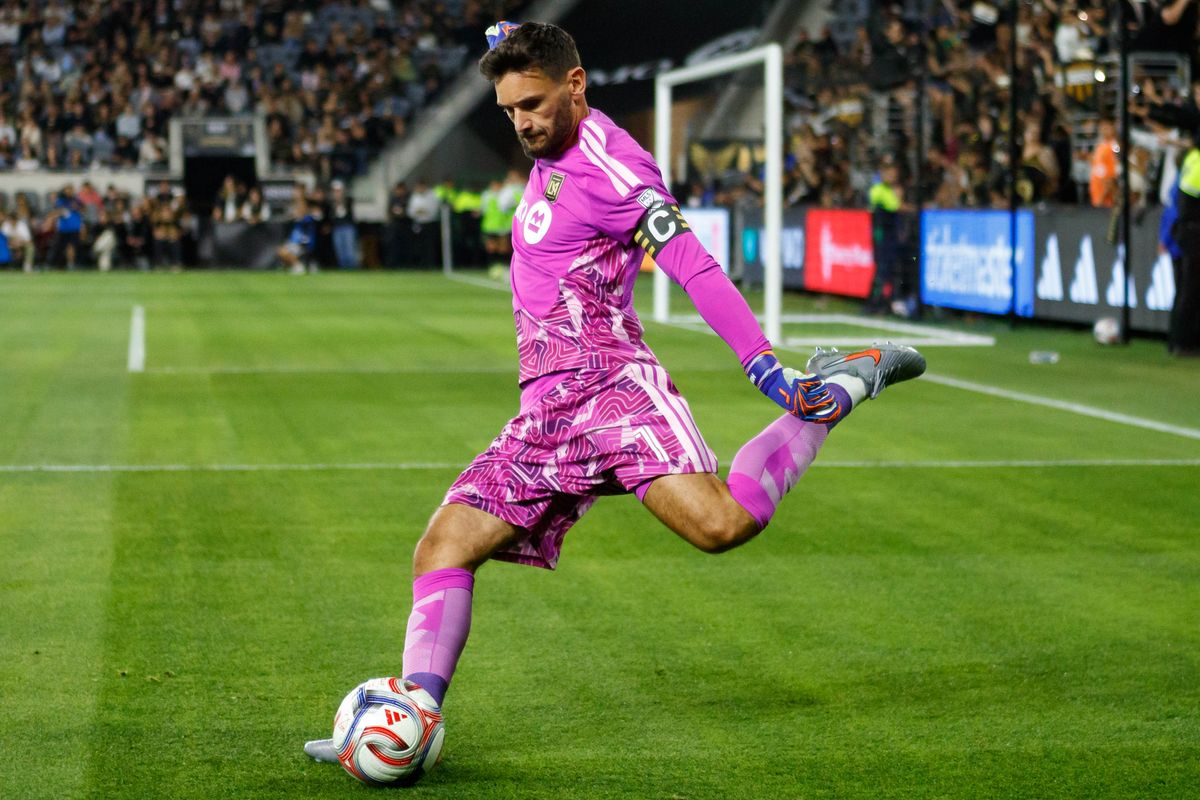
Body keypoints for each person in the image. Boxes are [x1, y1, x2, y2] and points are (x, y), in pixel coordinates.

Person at [307, 21, 925, 765]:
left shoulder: (615, 168)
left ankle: (834, 388)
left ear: (577, 85)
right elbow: (528, 67)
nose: (523, 123)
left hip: (610, 389)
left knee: (720, 526)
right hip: (546, 412)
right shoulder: (549, 143)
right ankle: (410, 723)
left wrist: (763, 365)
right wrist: (510, 37)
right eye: (508, 112)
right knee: (442, 546)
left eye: (532, 103)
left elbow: (694, 266)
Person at [1169, 132, 1200, 356]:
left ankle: (1179, 341)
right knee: (1190, 288)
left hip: (1187, 231)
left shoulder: (1192, 159)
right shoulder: (1197, 162)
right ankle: (1183, 342)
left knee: (1186, 287)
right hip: (1194, 232)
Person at [1089, 118, 1119, 208]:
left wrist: (1105, 194)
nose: (1103, 130)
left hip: (1107, 195)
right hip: (1097, 190)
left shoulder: (1115, 145)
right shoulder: (1100, 145)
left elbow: (1115, 169)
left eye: (1106, 127)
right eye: (1101, 128)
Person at [329, 181, 358, 269]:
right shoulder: (331, 203)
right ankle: (343, 268)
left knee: (349, 250)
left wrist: (340, 201)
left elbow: (348, 213)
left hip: (347, 227)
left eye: (338, 191)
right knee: (340, 250)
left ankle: (352, 268)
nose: (337, 193)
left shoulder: (348, 201)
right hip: (337, 228)